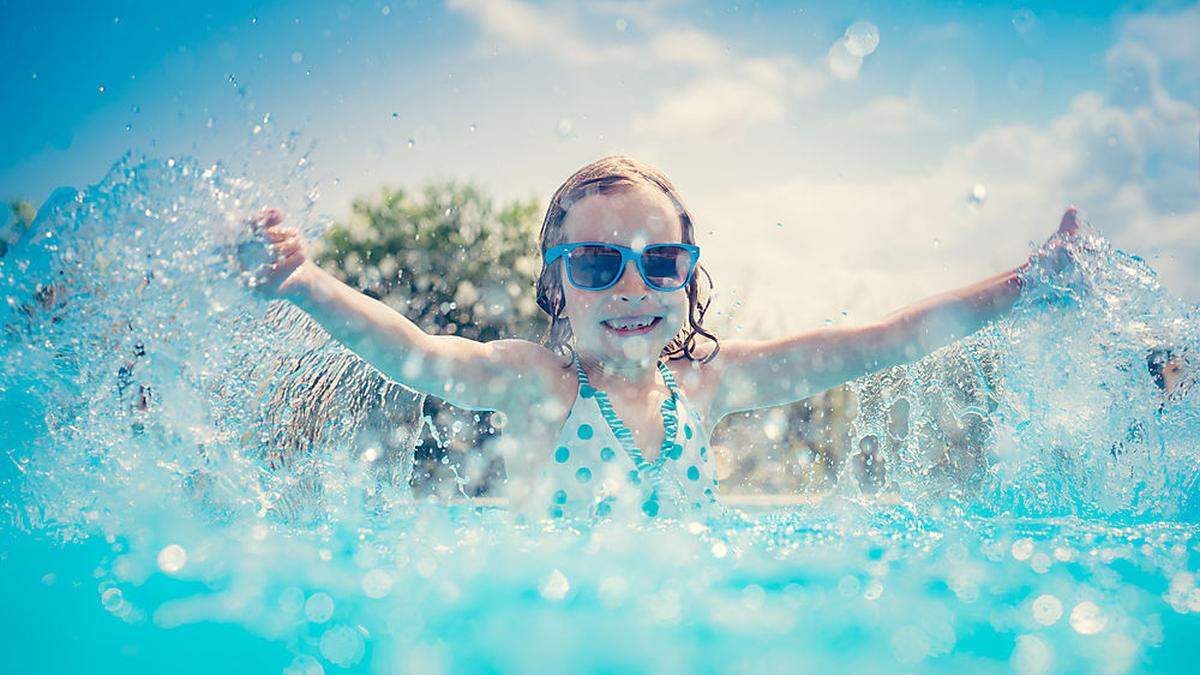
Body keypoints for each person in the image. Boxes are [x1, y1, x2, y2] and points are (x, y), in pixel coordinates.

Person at [246, 155, 1080, 521]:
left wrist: (1024, 286)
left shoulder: (710, 385)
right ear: (555, 285)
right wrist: (304, 282)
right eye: (598, 262)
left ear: (689, 274)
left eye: (661, 260)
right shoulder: (542, 384)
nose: (633, 286)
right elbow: (414, 351)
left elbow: (885, 338)